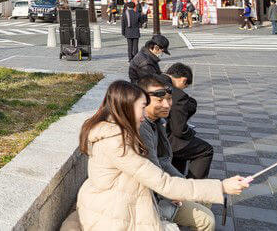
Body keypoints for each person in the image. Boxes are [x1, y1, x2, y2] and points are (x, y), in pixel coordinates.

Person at [75, 80, 249, 231]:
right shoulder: (117, 143)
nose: (144, 115)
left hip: (117, 204)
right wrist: (222, 187)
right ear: (127, 107)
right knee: (204, 219)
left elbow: (160, 172)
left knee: (204, 205)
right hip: (113, 216)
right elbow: (163, 183)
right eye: (142, 107)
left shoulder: (117, 130)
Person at [137, 75, 216, 231]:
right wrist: (175, 192)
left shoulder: (156, 121)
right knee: (207, 221)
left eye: (169, 99)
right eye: (160, 100)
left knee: (205, 197)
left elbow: (164, 161)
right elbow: (152, 173)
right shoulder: (141, 127)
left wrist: (185, 184)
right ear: (142, 100)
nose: (167, 105)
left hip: (158, 187)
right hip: (147, 199)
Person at [166, 63, 214, 180]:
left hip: (151, 132)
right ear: (183, 80)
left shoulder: (152, 79)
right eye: (185, 86)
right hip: (161, 138)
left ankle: (178, 184)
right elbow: (179, 130)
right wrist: (190, 132)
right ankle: (193, 188)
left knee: (184, 149)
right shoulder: (176, 94)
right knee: (206, 150)